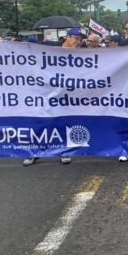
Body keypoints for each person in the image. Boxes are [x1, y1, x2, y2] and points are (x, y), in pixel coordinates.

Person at [23, 28, 85, 166]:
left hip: (67, 96)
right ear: (68, 37)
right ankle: (34, 152)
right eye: (76, 38)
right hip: (47, 93)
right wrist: (2, 43)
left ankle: (64, 152)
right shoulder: (51, 48)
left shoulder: (81, 53)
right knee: (42, 123)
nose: (78, 42)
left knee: (65, 123)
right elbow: (29, 46)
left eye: (80, 40)